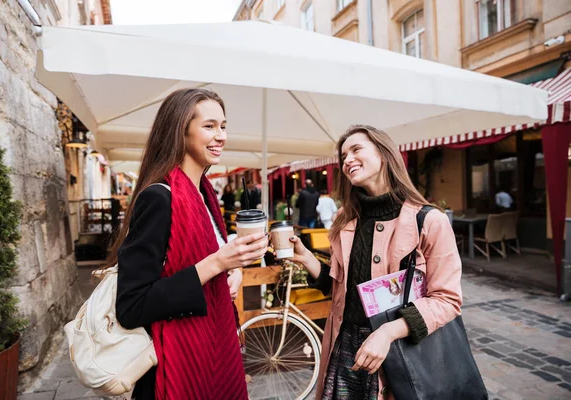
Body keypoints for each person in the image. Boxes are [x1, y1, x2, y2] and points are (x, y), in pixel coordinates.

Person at [112, 89, 267, 400]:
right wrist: (217, 264)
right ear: (180, 131)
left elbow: (196, 271)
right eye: (209, 126)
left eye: (223, 126)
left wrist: (230, 273)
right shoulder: (158, 198)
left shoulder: (206, 197)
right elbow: (131, 306)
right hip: (175, 369)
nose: (221, 135)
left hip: (214, 353)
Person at [288, 125, 462, 400]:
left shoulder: (429, 221)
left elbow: (447, 300)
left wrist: (388, 332)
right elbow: (342, 289)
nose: (346, 160)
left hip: (400, 351)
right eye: (343, 156)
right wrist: (305, 258)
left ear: (384, 154)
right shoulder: (345, 220)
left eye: (356, 149)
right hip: (344, 349)